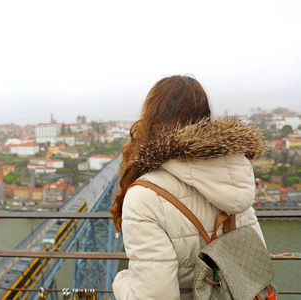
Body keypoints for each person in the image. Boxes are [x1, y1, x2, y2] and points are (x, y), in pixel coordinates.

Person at [110, 75, 267, 299]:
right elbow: (256, 265)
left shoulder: (144, 196)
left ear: (150, 121)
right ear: (205, 117)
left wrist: (121, 282)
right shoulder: (235, 176)